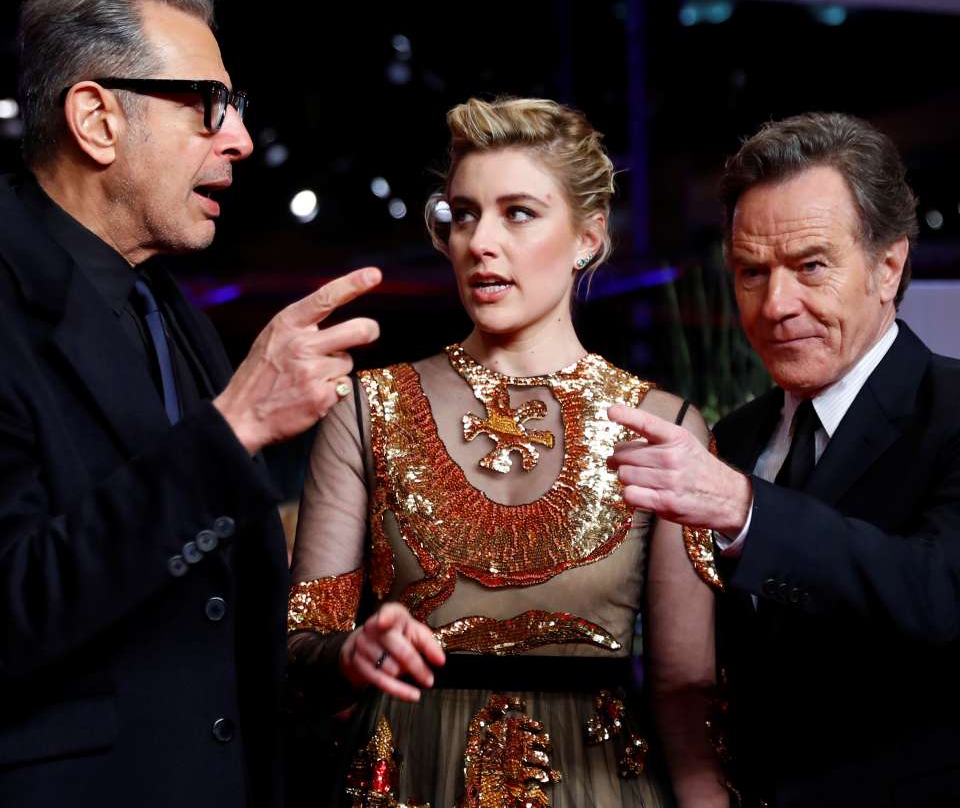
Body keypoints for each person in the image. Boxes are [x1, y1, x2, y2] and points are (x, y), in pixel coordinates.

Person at [0, 0, 380, 807]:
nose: (241, 140)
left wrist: (335, 665)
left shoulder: (170, 311)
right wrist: (234, 428)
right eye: (208, 104)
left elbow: (215, 623)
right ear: (97, 120)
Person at [286, 97, 728, 807]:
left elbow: (685, 691)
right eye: (463, 214)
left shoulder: (661, 426)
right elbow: (303, 649)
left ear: (589, 235)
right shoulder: (367, 409)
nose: (479, 242)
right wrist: (353, 650)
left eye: (518, 213)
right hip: (403, 781)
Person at [608, 112, 960, 807]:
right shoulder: (736, 436)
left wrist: (744, 509)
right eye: (751, 272)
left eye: (810, 266)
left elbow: (943, 598)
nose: (775, 305)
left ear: (888, 267)